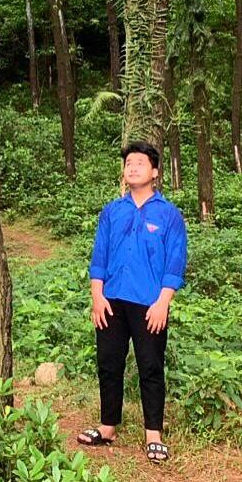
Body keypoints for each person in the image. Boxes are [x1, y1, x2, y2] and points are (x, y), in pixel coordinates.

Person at [77, 142, 187, 464]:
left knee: (150, 365)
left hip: (149, 303)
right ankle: (108, 426)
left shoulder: (169, 215)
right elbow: (99, 256)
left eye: (140, 163)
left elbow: (175, 263)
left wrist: (163, 302)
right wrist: (97, 296)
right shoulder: (112, 212)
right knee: (108, 362)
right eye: (129, 163)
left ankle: (154, 434)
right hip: (111, 300)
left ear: (154, 172)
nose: (133, 167)